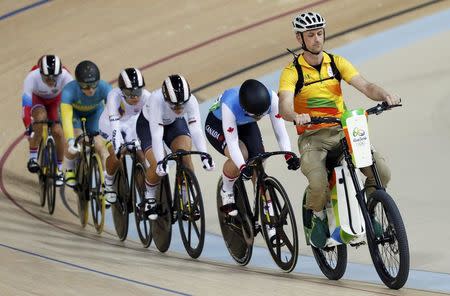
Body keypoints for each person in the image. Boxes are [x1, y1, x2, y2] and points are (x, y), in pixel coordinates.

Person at [278, 12, 400, 248]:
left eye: (320, 34)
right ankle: (318, 216)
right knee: (317, 183)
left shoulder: (336, 62)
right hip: (313, 137)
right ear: (299, 39)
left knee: (381, 171)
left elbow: (365, 85)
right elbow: (284, 104)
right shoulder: (292, 72)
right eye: (310, 35)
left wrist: (385, 95)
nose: (317, 40)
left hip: (343, 130)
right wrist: (295, 115)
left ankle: (368, 209)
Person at [204, 79, 300, 220]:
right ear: (245, 109)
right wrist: (242, 167)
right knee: (241, 155)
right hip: (218, 124)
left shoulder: (272, 98)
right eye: (257, 116)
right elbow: (232, 144)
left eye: (262, 115)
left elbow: (280, 131)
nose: (260, 118)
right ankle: (227, 190)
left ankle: (266, 208)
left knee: (259, 161)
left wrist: (289, 155)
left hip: (246, 123)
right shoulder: (230, 104)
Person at [136, 74, 215, 220]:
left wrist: (205, 155)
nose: (179, 108)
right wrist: (161, 161)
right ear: (166, 99)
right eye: (174, 105)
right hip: (148, 126)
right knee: (155, 164)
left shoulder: (191, 101)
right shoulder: (156, 100)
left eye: (182, 105)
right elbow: (157, 135)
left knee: (185, 155)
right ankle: (149, 196)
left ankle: (186, 197)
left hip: (174, 123)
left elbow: (196, 129)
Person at [98, 67, 148, 204]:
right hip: (110, 124)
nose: (135, 97)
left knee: (141, 155)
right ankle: (108, 184)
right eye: (129, 93)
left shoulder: (147, 97)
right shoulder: (113, 96)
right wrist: (118, 147)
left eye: (138, 91)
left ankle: (146, 194)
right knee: (117, 155)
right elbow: (114, 126)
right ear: (121, 91)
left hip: (130, 124)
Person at [61, 60, 112, 187]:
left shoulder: (105, 88)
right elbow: (66, 118)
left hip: (95, 113)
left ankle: (108, 183)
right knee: (77, 139)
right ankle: (69, 169)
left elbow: (113, 112)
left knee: (100, 146)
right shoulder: (69, 91)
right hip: (74, 114)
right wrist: (70, 139)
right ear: (78, 84)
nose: (90, 89)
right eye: (85, 86)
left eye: (94, 84)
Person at [25, 55, 73, 186]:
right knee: (39, 120)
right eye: (47, 78)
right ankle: (33, 158)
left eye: (54, 78)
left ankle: (58, 170)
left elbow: (72, 101)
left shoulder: (66, 76)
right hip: (37, 99)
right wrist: (28, 125)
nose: (51, 81)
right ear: (40, 73)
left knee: (58, 132)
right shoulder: (32, 77)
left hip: (55, 101)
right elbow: (26, 104)